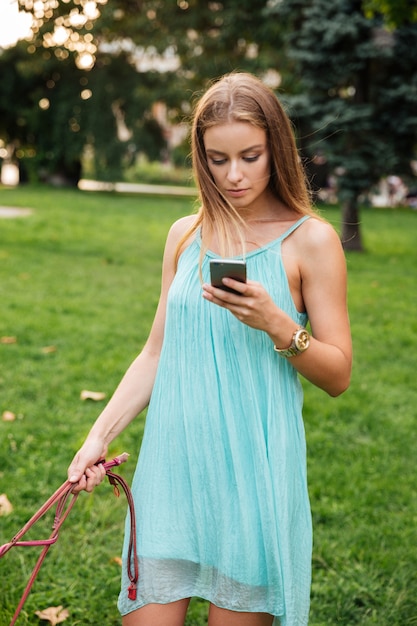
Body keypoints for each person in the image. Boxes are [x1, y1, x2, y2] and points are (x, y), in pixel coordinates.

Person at [68, 72, 352, 626]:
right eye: (218, 159)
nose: (234, 175)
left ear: (277, 149)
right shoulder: (184, 234)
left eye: (250, 155)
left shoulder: (312, 241)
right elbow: (155, 353)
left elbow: (338, 374)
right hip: (174, 469)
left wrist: (276, 324)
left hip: (254, 475)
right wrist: (96, 439)